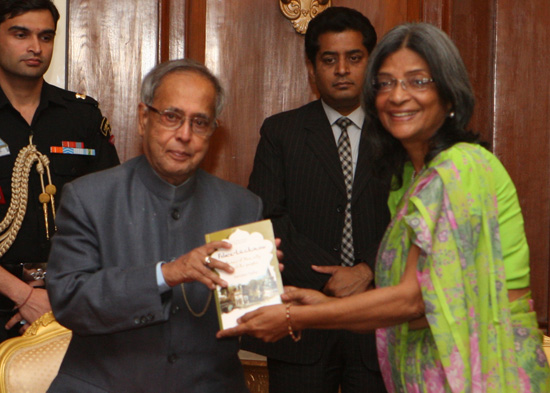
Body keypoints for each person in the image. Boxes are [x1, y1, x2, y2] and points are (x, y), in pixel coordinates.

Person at [219, 22, 550, 392]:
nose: (398, 96)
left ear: (450, 94)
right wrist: (315, 302)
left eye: (418, 81)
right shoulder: (412, 180)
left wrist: (301, 315)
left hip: (485, 373)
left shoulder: (462, 168)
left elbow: (414, 298)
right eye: (386, 83)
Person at [46, 58, 262, 392]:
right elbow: (70, 301)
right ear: (144, 119)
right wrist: (165, 274)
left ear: (212, 132)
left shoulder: (242, 206)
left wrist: (266, 294)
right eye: (172, 117)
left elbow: (250, 321)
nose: (185, 135)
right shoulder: (88, 197)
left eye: (200, 122)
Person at [242, 6, 389, 393]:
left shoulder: (397, 132)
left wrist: (366, 270)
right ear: (312, 68)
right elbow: (270, 219)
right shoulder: (281, 132)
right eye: (329, 59)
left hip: (376, 321)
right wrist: (328, 280)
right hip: (301, 326)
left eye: (354, 58)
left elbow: (410, 218)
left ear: (371, 64)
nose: (342, 69)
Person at [0, 0, 119, 342]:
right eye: (20, 34)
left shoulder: (81, 117)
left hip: (70, 301)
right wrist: (23, 296)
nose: (35, 47)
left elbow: (110, 215)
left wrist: (63, 294)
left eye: (46, 36)